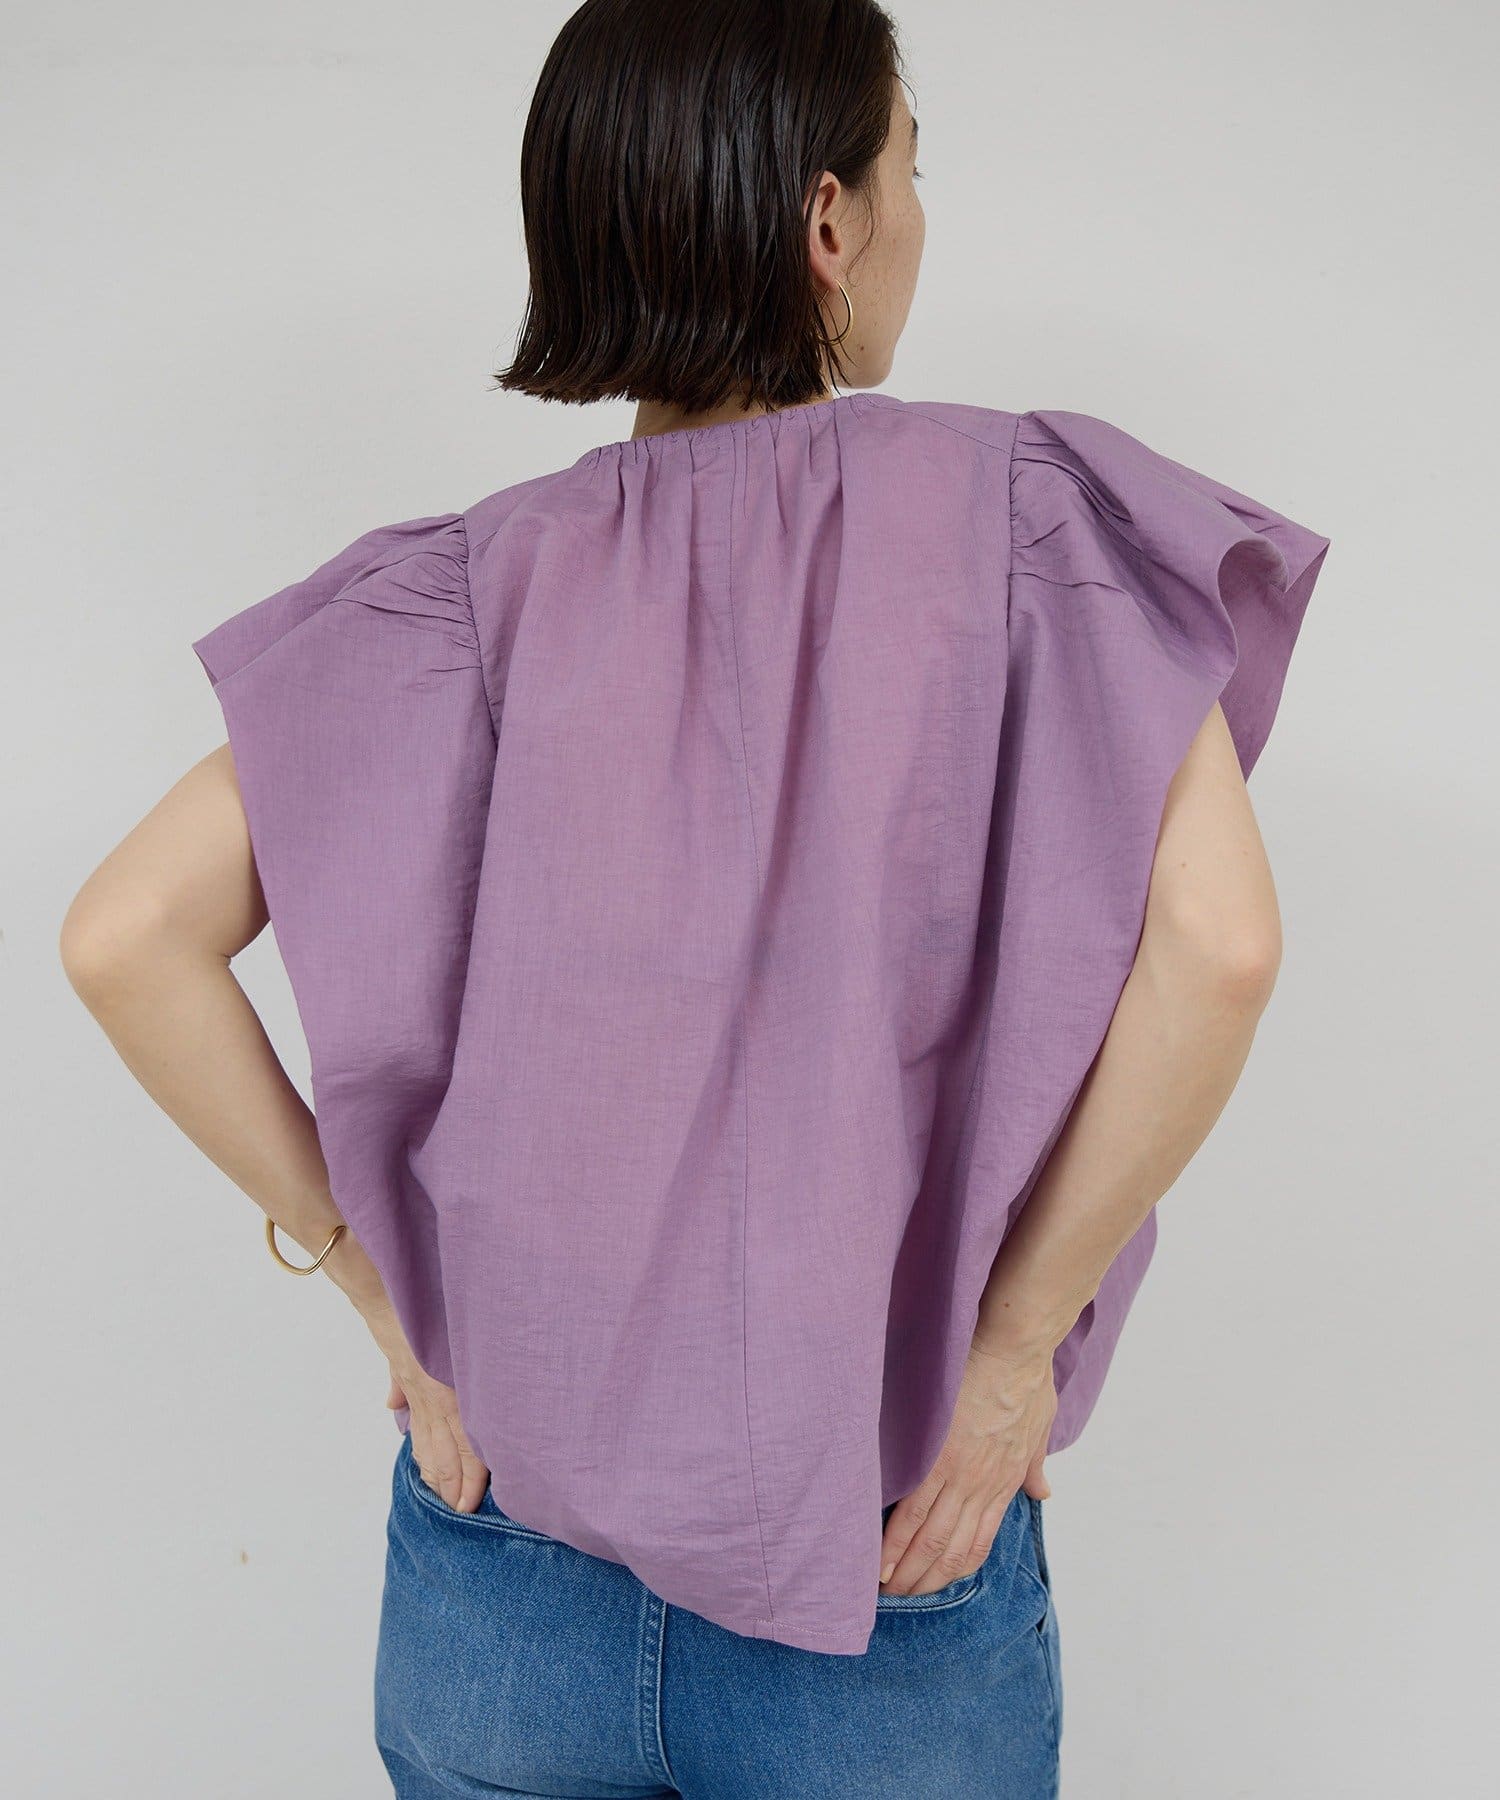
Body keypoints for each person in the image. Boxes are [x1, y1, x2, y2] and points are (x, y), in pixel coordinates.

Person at [59, 2, 1330, 1795]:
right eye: (909, 169)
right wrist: (1007, 1359)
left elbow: (124, 936)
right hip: (885, 1573)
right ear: (829, 221)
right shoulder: (1026, 522)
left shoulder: (470, 598)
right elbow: (1224, 945)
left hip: (501, 1576)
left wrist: (383, 1303)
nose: (916, 212)